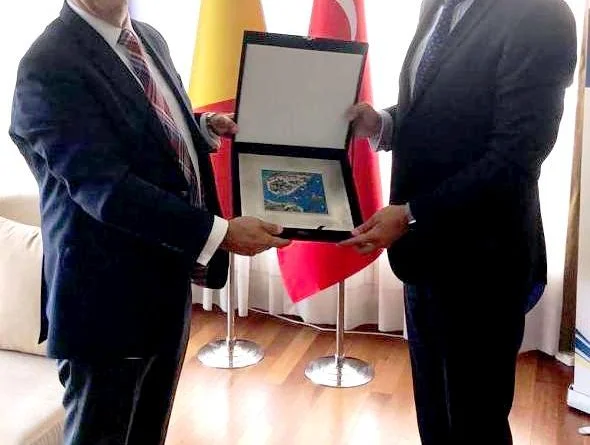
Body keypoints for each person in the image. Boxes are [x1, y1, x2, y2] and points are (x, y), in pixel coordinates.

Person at [9, 0, 290, 444]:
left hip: (166, 287)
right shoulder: (48, 64)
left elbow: (144, 125)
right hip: (104, 303)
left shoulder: (148, 38)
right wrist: (220, 234)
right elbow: (106, 189)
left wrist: (200, 127)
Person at [342, 0, 577, 443]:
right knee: (435, 416)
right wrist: (383, 123)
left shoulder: (541, 14)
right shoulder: (439, 5)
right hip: (422, 256)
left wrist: (412, 214)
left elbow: (514, 158)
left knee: (475, 422)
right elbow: (437, 105)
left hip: (482, 266)